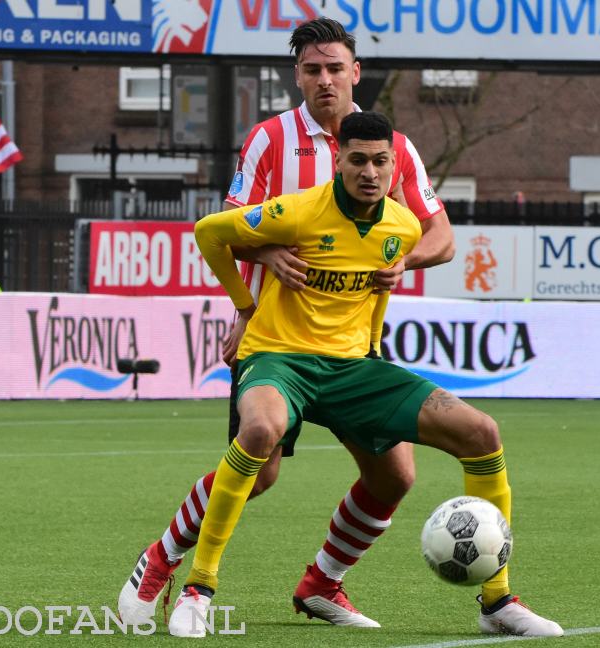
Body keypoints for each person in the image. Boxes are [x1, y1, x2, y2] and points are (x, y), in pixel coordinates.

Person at [166, 112, 562, 638]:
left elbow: (390, 284)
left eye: (379, 161)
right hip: (280, 358)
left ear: (393, 166)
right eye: (358, 160)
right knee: (259, 436)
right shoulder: (299, 210)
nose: (369, 172)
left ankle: (496, 602)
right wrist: (245, 305)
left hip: (353, 366)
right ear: (338, 160)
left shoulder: (400, 226)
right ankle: (199, 588)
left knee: (480, 433)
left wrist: (372, 341)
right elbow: (210, 232)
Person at [118, 17, 456, 630]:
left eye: (335, 68)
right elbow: (230, 227)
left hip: (355, 344)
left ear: (357, 72)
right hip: (278, 341)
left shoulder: (392, 148)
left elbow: (441, 235)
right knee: (262, 467)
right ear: (296, 76)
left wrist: (406, 258)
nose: (325, 79)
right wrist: (263, 260)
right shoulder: (271, 140)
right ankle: (162, 558)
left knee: (396, 475)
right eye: (312, 69)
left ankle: (322, 584)